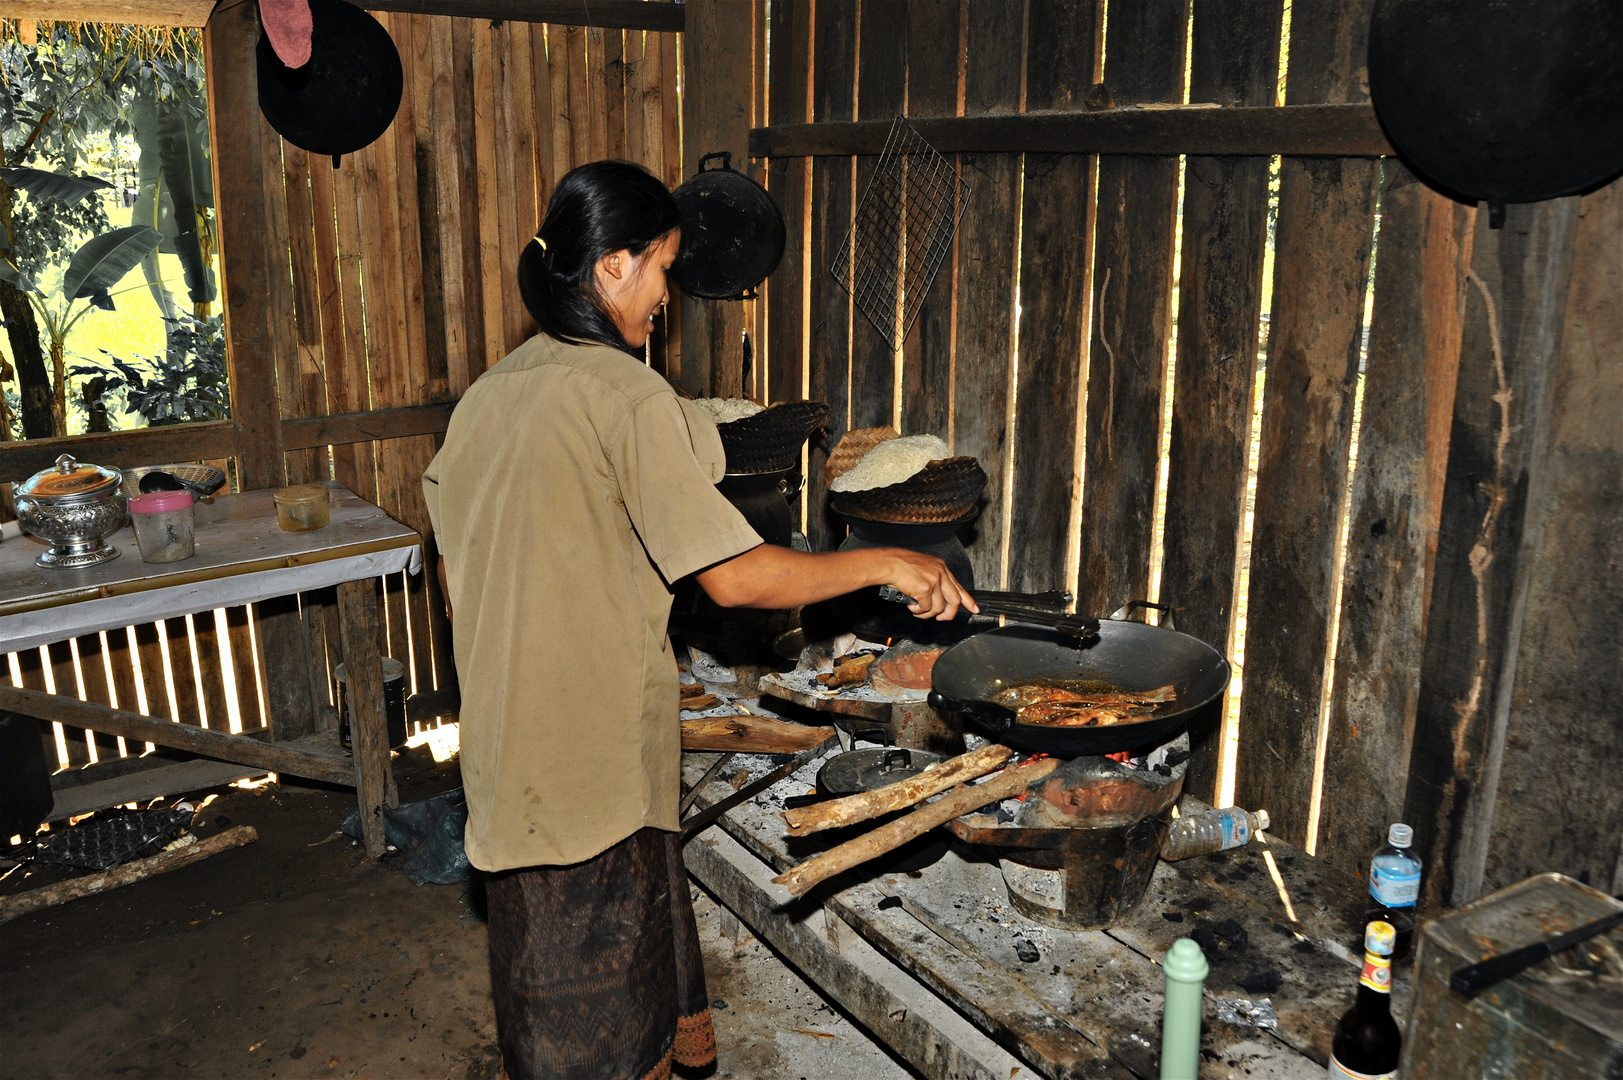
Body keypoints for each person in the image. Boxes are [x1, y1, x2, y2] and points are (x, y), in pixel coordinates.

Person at [422, 160, 975, 1080]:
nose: (666, 298)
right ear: (611, 266)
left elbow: (455, 559)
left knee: (541, 981)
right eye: (662, 269)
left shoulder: (493, 394)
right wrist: (885, 558)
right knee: (598, 1004)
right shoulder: (625, 397)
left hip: (507, 744)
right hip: (588, 758)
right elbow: (734, 579)